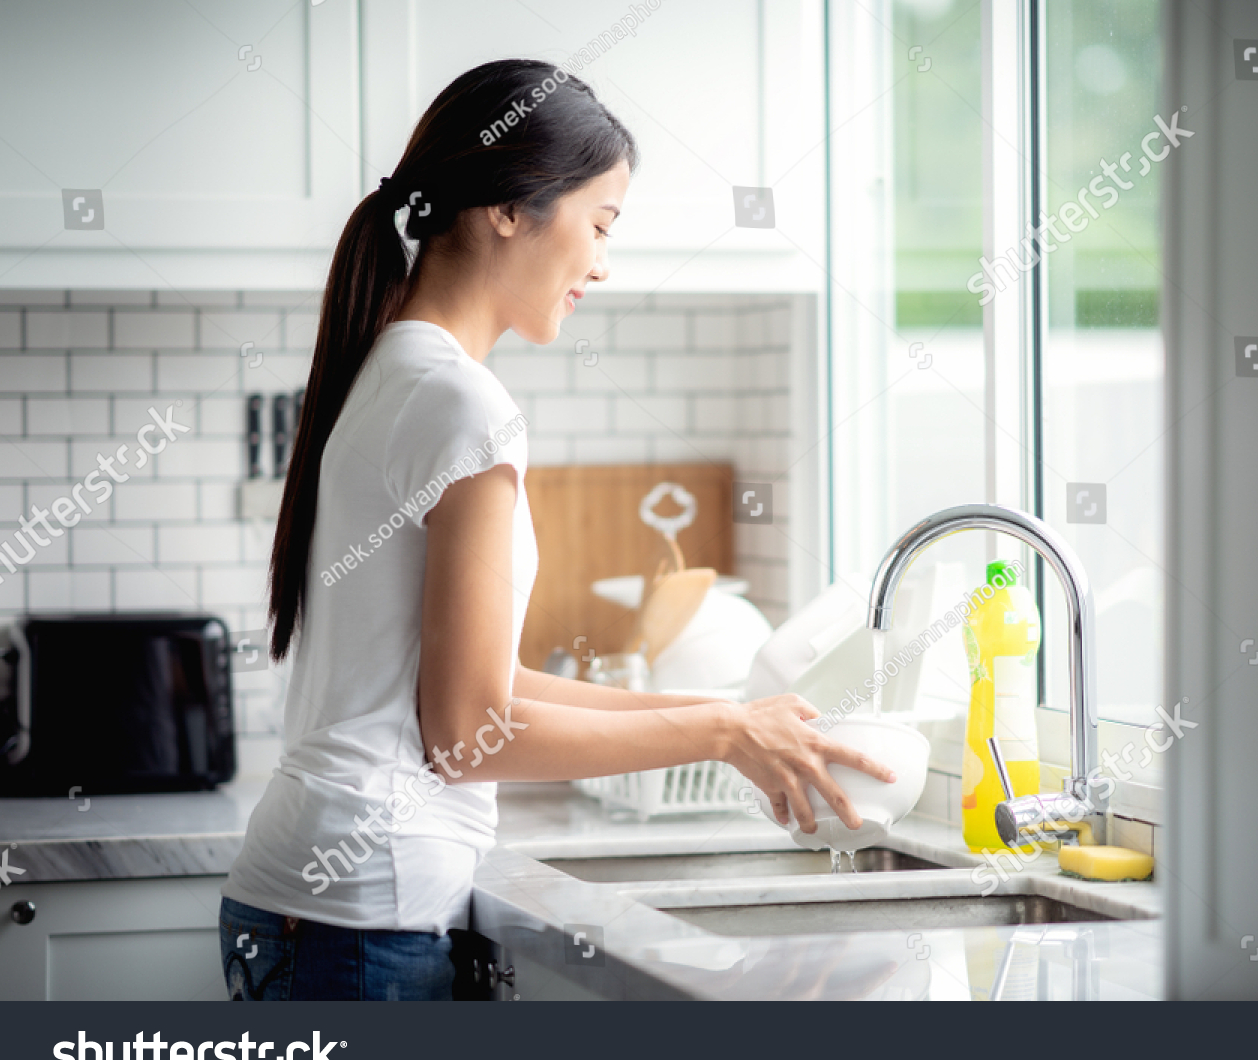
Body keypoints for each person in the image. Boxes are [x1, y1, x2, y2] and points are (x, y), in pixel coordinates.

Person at [218, 59, 892, 1001]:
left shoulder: (395, 371)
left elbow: (479, 693)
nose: (603, 264)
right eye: (601, 224)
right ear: (508, 207)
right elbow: (466, 737)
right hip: (359, 920)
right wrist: (718, 729)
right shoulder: (463, 404)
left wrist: (729, 718)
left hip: (313, 905)